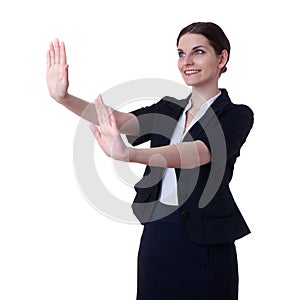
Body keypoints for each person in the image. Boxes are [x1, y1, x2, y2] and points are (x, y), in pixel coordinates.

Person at [46, 22, 254, 300]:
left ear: (222, 58)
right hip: (159, 233)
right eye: (181, 54)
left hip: (208, 239)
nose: (187, 61)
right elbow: (117, 121)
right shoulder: (167, 108)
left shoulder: (237, 115)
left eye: (198, 52)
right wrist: (64, 98)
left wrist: (132, 155)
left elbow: (196, 153)